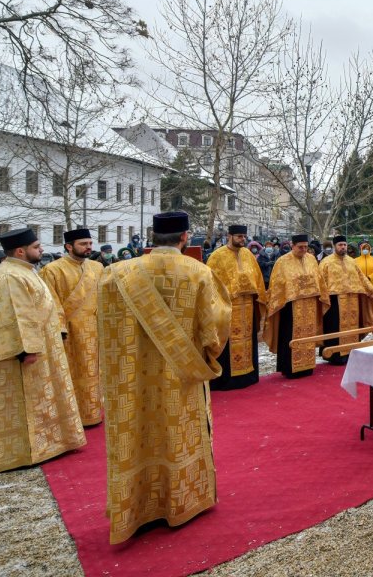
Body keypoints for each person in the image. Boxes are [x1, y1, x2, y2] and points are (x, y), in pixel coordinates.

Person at [96, 211, 231, 543]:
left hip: (130, 380)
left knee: (137, 434)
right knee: (178, 431)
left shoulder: (114, 274)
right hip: (179, 377)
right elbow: (212, 332)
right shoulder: (199, 273)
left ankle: (134, 507)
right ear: (185, 237)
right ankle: (182, 499)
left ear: (152, 236)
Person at [0, 227, 85, 473]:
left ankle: (48, 444)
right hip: (26, 355)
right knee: (27, 404)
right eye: (37, 247)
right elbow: (16, 316)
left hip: (42, 348)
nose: (42, 249)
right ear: (20, 250)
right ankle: (28, 451)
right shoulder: (10, 277)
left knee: (41, 400)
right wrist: (26, 350)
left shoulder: (23, 271)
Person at [39, 228, 106, 426]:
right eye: (83, 244)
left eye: (90, 244)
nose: (89, 247)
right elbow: (51, 303)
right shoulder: (52, 270)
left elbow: (105, 298)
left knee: (93, 372)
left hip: (95, 330)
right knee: (71, 373)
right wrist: (60, 329)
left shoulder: (97, 267)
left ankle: (93, 412)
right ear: (69, 246)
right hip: (69, 333)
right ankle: (71, 416)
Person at [206, 224, 269, 390]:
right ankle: (227, 380)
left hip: (248, 307)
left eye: (244, 236)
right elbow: (211, 284)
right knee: (228, 342)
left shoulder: (248, 254)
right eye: (239, 236)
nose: (243, 239)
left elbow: (258, 279)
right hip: (228, 308)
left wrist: (259, 298)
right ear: (230, 236)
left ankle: (247, 376)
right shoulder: (216, 257)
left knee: (247, 340)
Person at [265, 234, 329, 378]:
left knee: (309, 334)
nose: (304, 250)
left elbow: (318, 279)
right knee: (289, 336)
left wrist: (321, 296)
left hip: (310, 305)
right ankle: (290, 368)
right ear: (292, 246)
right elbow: (277, 285)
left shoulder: (311, 259)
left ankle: (307, 366)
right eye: (300, 247)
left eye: (306, 247)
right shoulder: (282, 261)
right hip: (291, 307)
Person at [318, 235, 373, 365]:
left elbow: (361, 278)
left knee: (352, 326)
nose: (343, 247)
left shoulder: (352, 261)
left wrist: (372, 290)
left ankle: (351, 352)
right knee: (335, 327)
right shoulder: (326, 262)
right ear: (335, 246)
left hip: (352, 301)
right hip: (335, 302)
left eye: (344, 245)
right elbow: (321, 282)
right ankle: (334, 355)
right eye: (340, 245)